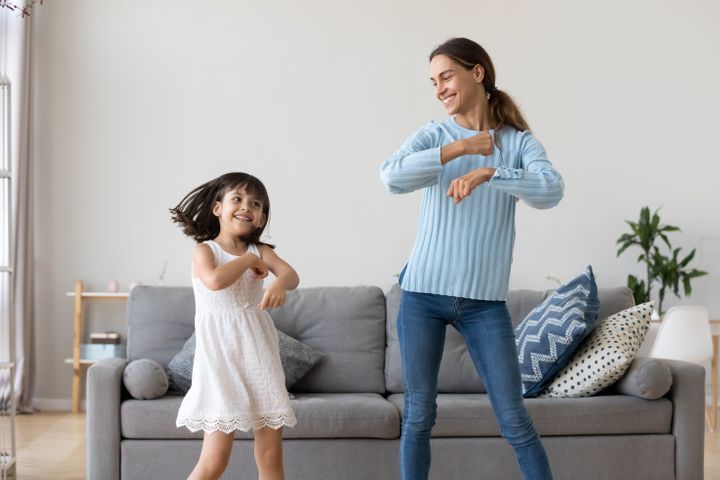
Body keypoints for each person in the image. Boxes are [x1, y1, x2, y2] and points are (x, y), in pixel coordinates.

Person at [379, 37, 564, 480]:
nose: (439, 88)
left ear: (476, 73)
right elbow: (390, 177)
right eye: (434, 82)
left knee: (514, 420)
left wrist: (493, 172)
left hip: (485, 305)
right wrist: (460, 150)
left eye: (446, 76)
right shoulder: (434, 134)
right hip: (422, 296)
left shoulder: (518, 144)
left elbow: (551, 190)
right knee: (419, 417)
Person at [170, 172, 299, 480]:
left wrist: (278, 281)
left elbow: (292, 275)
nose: (246, 207)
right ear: (218, 208)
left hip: (259, 354)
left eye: (255, 204)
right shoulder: (205, 250)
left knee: (270, 456)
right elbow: (215, 281)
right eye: (237, 199)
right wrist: (247, 261)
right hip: (220, 362)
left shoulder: (262, 250)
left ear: (261, 217)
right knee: (215, 460)